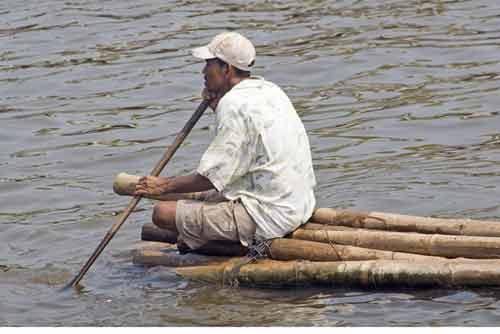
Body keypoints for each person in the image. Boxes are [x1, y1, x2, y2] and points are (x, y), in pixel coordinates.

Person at [134, 31, 316, 255]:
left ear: (226, 69)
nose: (203, 72)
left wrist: (162, 186)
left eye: (208, 65)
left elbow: (212, 177)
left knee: (161, 213)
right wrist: (217, 105)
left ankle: (234, 246)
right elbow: (244, 143)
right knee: (195, 201)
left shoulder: (234, 104)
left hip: (269, 214)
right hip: (298, 203)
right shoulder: (268, 88)